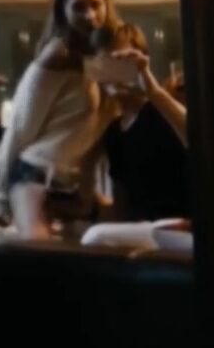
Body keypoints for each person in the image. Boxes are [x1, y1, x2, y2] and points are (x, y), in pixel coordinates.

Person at [0, 0, 120, 239]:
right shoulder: (58, 54)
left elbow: (93, 143)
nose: (89, 15)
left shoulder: (106, 57)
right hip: (35, 172)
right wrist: (2, 191)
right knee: (39, 250)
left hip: (70, 182)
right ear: (63, 11)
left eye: (95, 4)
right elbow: (20, 126)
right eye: (78, 7)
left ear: (106, 5)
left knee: (111, 235)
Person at [80, 22, 191, 250]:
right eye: (106, 63)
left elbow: (202, 141)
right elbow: (122, 207)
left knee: (95, 236)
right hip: (146, 232)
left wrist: (153, 89)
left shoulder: (164, 108)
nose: (115, 72)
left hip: (184, 226)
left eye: (122, 62)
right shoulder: (113, 132)